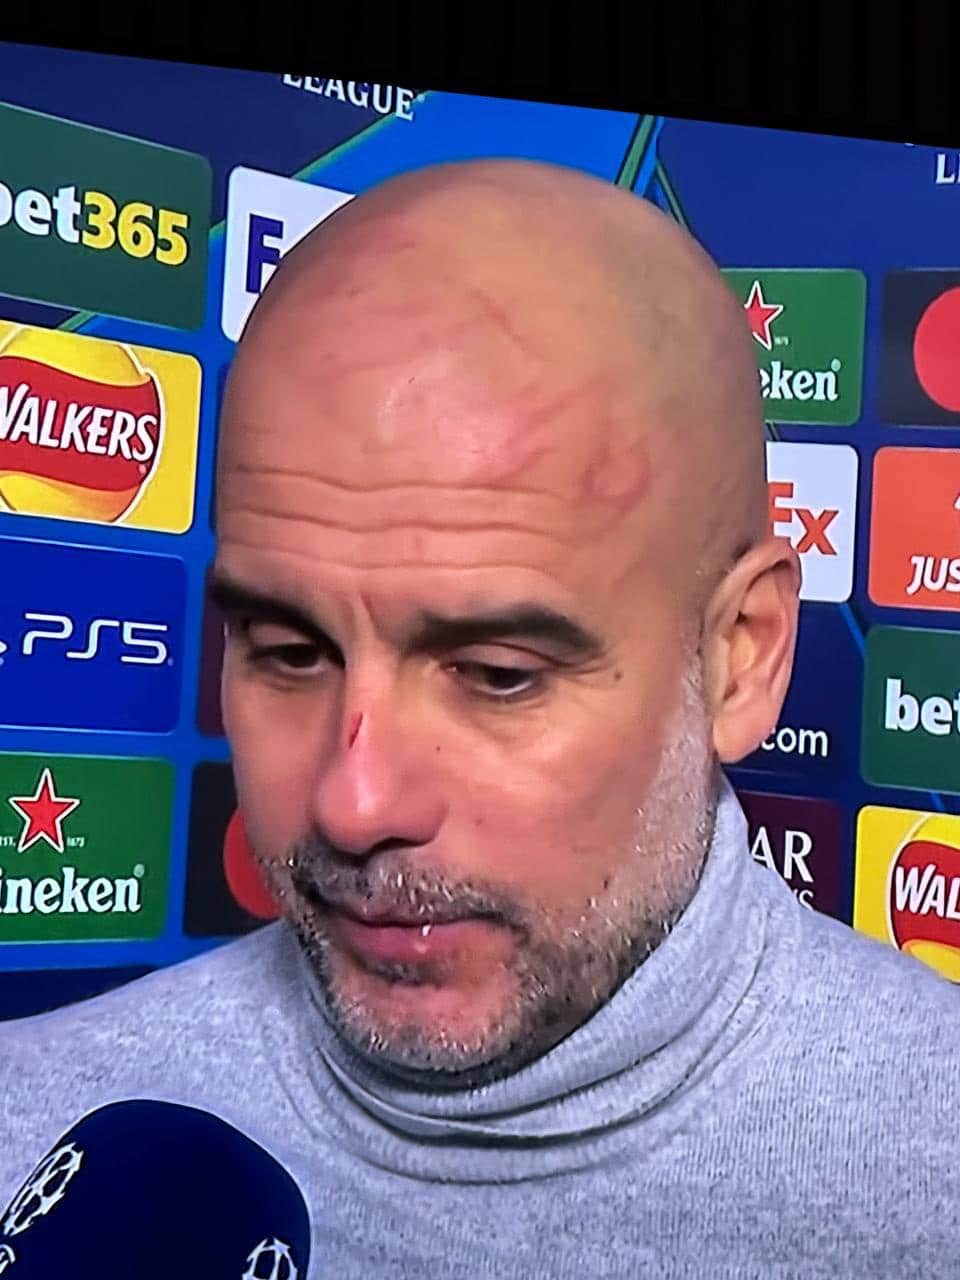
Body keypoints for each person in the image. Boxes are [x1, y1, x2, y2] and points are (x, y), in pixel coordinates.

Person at [0, 158, 956, 1278]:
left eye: (498, 673)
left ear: (740, 658)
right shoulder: (39, 1134)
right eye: (290, 651)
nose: (354, 804)